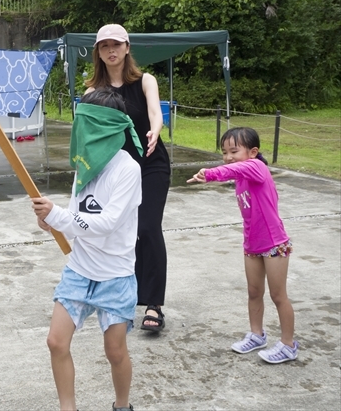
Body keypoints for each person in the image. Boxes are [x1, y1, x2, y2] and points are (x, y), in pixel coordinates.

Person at [32, 88, 142, 411]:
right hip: (80, 269)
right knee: (56, 341)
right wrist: (51, 222)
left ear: (107, 128)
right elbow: (74, 212)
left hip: (116, 275)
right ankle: (69, 408)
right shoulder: (85, 165)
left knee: (116, 351)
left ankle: (122, 406)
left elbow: (106, 223)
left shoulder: (128, 170)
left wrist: (60, 216)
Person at [84, 24, 170, 332]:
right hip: (116, 171)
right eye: (105, 45)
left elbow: (155, 112)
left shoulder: (145, 80)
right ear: (99, 52)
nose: (111, 50)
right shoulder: (93, 91)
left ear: (127, 47)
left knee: (147, 228)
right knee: (120, 234)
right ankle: (124, 296)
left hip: (150, 164)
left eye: (116, 44)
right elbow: (89, 135)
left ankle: (154, 304)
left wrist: (156, 130)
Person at [187, 127, 298, 364]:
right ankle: (257, 335)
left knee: (279, 296)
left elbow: (233, 169)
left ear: (253, 152)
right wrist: (209, 177)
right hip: (252, 243)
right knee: (254, 292)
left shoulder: (257, 167)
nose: (228, 157)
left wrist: (211, 173)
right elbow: (232, 171)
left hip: (274, 243)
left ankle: (289, 345)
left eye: (234, 151)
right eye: (224, 152)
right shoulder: (240, 175)